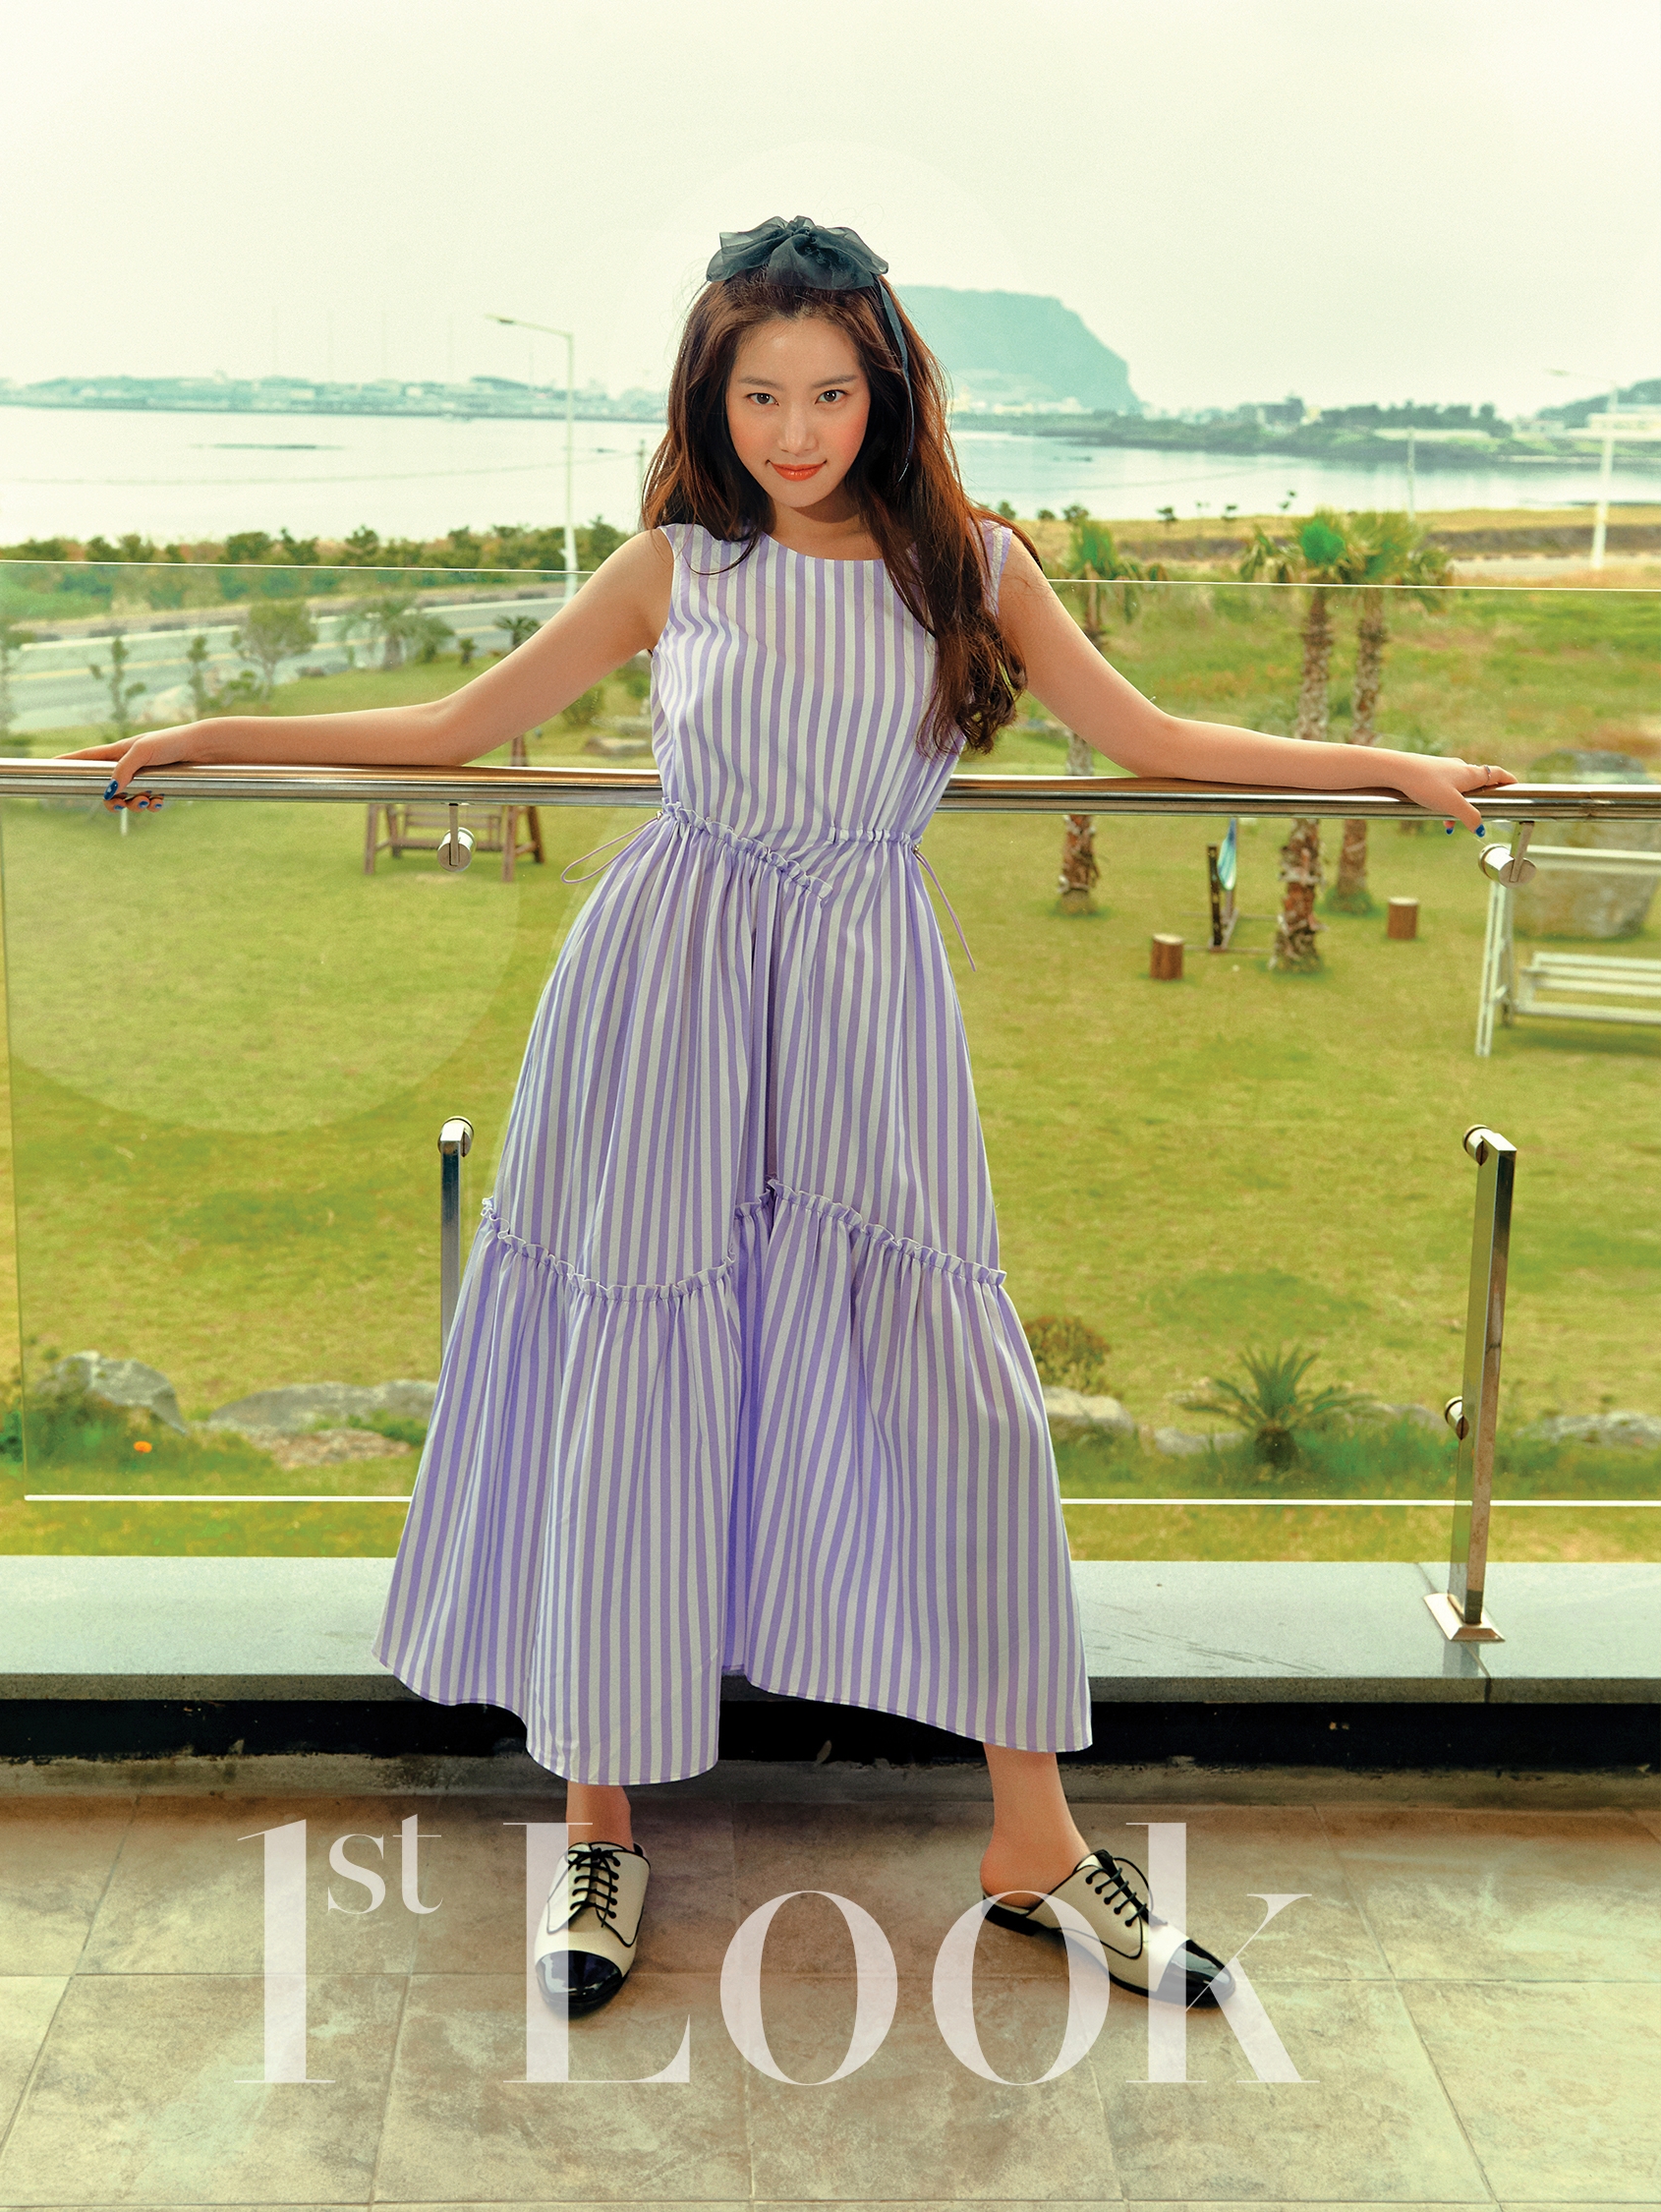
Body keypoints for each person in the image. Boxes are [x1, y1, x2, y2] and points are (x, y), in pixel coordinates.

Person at [74, 215, 1515, 2022]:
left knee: (957, 1388)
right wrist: (208, 736)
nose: (797, 429)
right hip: (659, 994)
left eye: (830, 392)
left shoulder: (974, 565)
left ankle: (1035, 1839)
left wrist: (1387, 767)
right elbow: (457, 723)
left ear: (887, 389)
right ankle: (597, 1820)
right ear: (712, 398)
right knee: (633, 1363)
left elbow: (1147, 739)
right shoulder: (673, 567)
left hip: (862, 1005)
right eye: (760, 395)